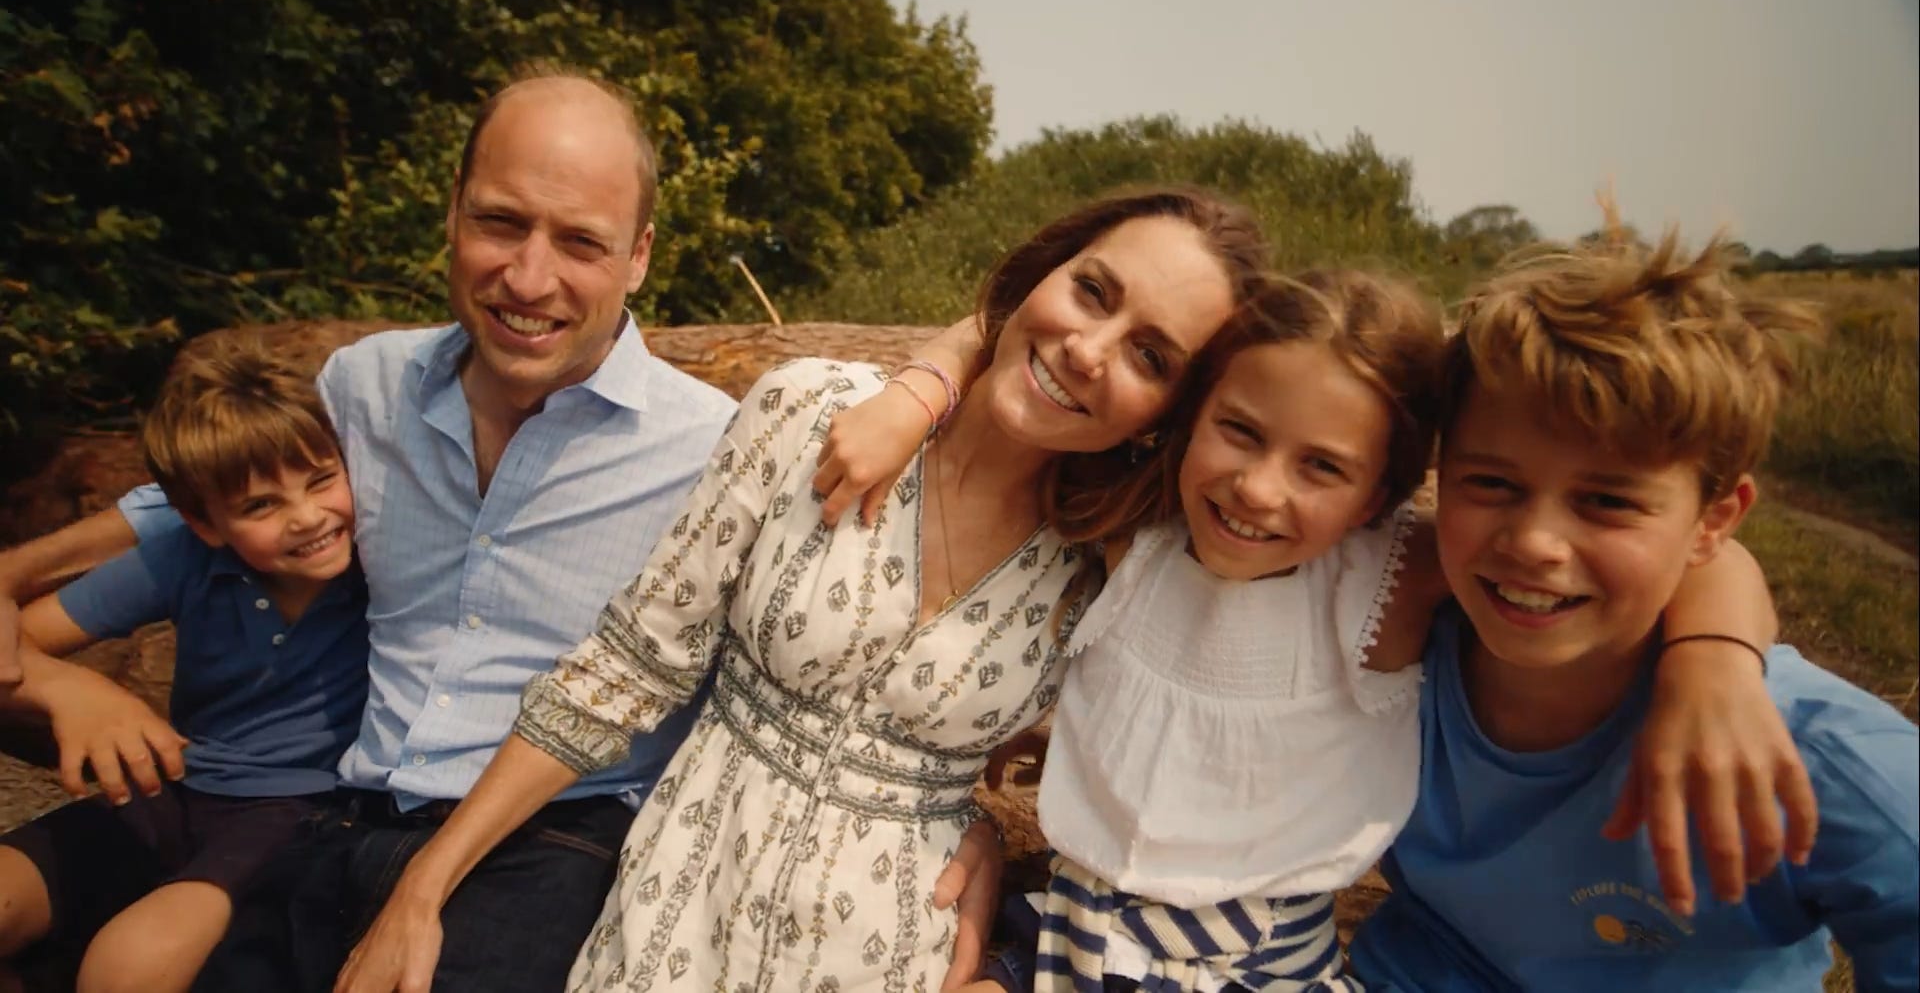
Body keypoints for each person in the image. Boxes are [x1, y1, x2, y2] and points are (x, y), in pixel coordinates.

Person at [332, 186, 1275, 992]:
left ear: (1169, 414)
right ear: (1043, 273)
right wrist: (427, 882)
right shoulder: (812, 411)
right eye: (1092, 291)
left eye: (1151, 356)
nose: (1089, 349)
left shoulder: (1108, 567)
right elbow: (626, 668)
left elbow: (1148, 792)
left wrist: (981, 828)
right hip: (677, 916)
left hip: (896, 950)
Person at [826, 269, 1800, 993]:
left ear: (1382, 488)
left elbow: (1706, 555)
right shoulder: (1135, 526)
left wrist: (1715, 664)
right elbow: (1002, 332)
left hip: (1249, 968)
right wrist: (918, 388)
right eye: (1240, 432)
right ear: (1193, 414)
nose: (1258, 489)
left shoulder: (1391, 573)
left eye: (1322, 467)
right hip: (1068, 931)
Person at [0, 65, 758, 992]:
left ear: (638, 256)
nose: (529, 276)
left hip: (554, 836)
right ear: (452, 214)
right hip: (337, 815)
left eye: (580, 242)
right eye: (500, 221)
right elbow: (201, 504)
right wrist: (9, 582)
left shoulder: (712, 450)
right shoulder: (366, 389)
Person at [1346, 224, 1919, 990]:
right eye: (1491, 484)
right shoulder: (1395, 635)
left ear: (1714, 520)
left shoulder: (1808, 759)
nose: (1536, 542)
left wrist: (1715, 659)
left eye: (1608, 502)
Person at [0, 339, 370, 993]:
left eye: (320, 480)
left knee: (126, 967)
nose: (308, 517)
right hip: (175, 786)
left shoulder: (379, 559)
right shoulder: (183, 558)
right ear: (204, 522)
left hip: (298, 810)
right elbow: (17, 639)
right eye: (262, 505)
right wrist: (71, 688)